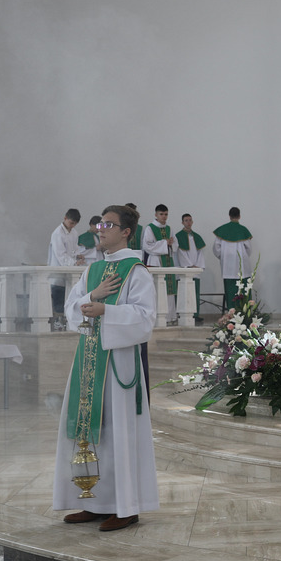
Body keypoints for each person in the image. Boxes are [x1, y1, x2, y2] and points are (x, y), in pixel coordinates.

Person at [53, 204, 159, 532]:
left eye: (108, 225)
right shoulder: (93, 270)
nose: (100, 230)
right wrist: (93, 295)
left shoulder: (136, 271)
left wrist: (106, 311)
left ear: (126, 232)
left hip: (118, 364)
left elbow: (145, 319)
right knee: (92, 432)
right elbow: (71, 308)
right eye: (99, 224)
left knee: (119, 433)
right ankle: (94, 503)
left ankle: (126, 507)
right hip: (88, 361)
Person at [47, 208, 85, 330]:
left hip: (70, 273)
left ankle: (68, 323)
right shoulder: (57, 233)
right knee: (58, 300)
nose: (72, 226)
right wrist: (74, 263)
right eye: (71, 222)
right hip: (58, 273)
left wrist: (78, 255)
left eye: (74, 224)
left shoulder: (74, 232)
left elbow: (74, 249)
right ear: (65, 218)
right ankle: (58, 324)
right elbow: (60, 254)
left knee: (69, 299)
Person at [213, 207, 253, 309]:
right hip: (242, 267)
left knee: (230, 290)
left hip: (227, 267)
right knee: (244, 289)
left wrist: (223, 258)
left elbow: (216, 248)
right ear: (239, 216)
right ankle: (245, 312)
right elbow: (248, 249)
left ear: (229, 216)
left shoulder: (222, 230)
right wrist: (243, 258)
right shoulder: (243, 230)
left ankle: (231, 312)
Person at [143, 204, 178, 323]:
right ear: (156, 214)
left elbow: (175, 244)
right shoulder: (150, 228)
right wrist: (164, 243)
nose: (164, 217)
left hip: (168, 260)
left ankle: (170, 316)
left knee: (170, 289)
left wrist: (171, 243)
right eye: (161, 214)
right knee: (157, 288)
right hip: (156, 261)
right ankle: (157, 317)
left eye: (166, 214)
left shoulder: (169, 228)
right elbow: (147, 245)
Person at [175, 213, 207, 320]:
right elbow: (180, 253)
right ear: (182, 222)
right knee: (184, 293)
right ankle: (182, 314)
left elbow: (200, 253)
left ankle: (195, 314)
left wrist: (198, 266)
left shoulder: (196, 236)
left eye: (190, 220)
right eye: (186, 220)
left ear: (192, 222)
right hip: (184, 269)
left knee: (195, 292)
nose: (188, 222)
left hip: (195, 269)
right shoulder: (178, 236)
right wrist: (189, 265)